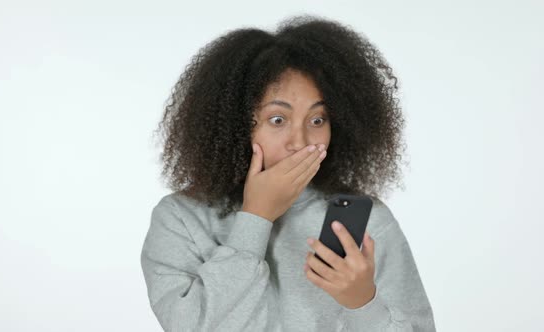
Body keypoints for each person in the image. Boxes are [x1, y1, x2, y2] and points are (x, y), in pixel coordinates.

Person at [140, 14, 436, 331]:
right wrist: (256, 218)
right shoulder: (181, 219)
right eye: (278, 120)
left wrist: (362, 303)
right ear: (233, 125)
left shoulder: (367, 222)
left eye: (318, 120)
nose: (301, 142)